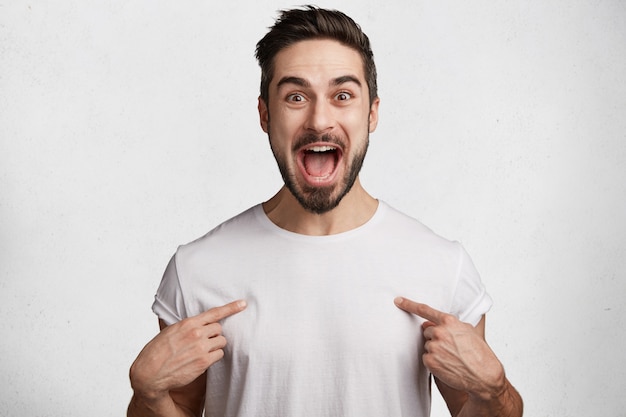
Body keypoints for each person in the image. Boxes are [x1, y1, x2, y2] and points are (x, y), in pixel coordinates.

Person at [127, 6, 523, 417]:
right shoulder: (198, 269)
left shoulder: (442, 265)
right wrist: (148, 396)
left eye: (343, 96)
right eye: (296, 96)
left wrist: (494, 392)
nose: (320, 120)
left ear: (371, 114)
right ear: (265, 115)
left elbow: (480, 409)